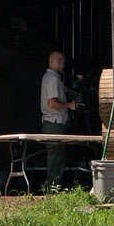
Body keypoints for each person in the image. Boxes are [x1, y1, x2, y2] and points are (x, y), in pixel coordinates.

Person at [39, 51, 80, 189]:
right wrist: (69, 105)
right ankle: (52, 189)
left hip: (53, 123)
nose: (63, 64)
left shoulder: (53, 78)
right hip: (54, 123)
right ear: (53, 62)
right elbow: (52, 103)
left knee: (57, 157)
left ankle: (53, 188)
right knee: (56, 158)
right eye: (61, 61)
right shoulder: (52, 79)